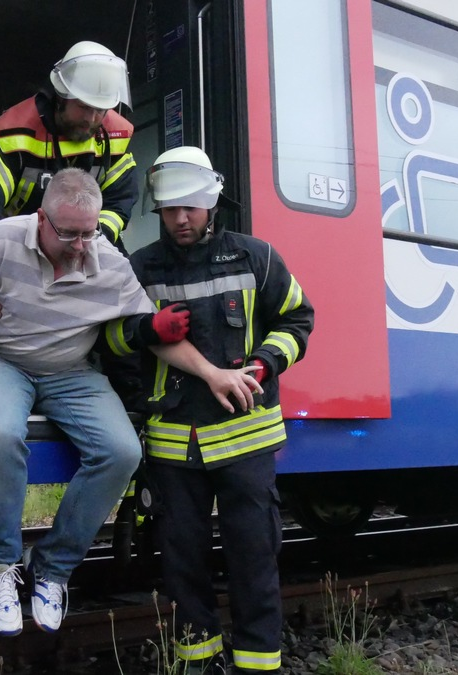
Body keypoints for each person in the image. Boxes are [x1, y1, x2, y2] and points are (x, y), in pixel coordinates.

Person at [0, 168, 261, 637]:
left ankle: (53, 569)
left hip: (71, 370)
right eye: (69, 233)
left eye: (90, 232)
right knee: (1, 434)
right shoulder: (0, 241)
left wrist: (211, 372)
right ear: (41, 219)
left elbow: (154, 336)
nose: (82, 245)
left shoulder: (107, 260)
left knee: (123, 451)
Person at [117, 147, 315, 672]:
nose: (180, 219)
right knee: (182, 568)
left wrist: (265, 365)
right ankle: (199, 663)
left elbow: (298, 321)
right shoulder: (140, 268)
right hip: (172, 446)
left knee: (254, 562)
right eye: (170, 209)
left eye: (190, 208)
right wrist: (143, 330)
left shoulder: (257, 258)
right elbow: (112, 338)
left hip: (246, 442)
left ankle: (257, 666)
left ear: (211, 204)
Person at [0, 40, 138, 321]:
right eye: (84, 107)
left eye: (101, 110)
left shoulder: (116, 136)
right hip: (14, 248)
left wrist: (88, 246)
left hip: (82, 244)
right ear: (60, 96)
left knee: (128, 291)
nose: (93, 119)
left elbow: (119, 205)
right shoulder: (10, 135)